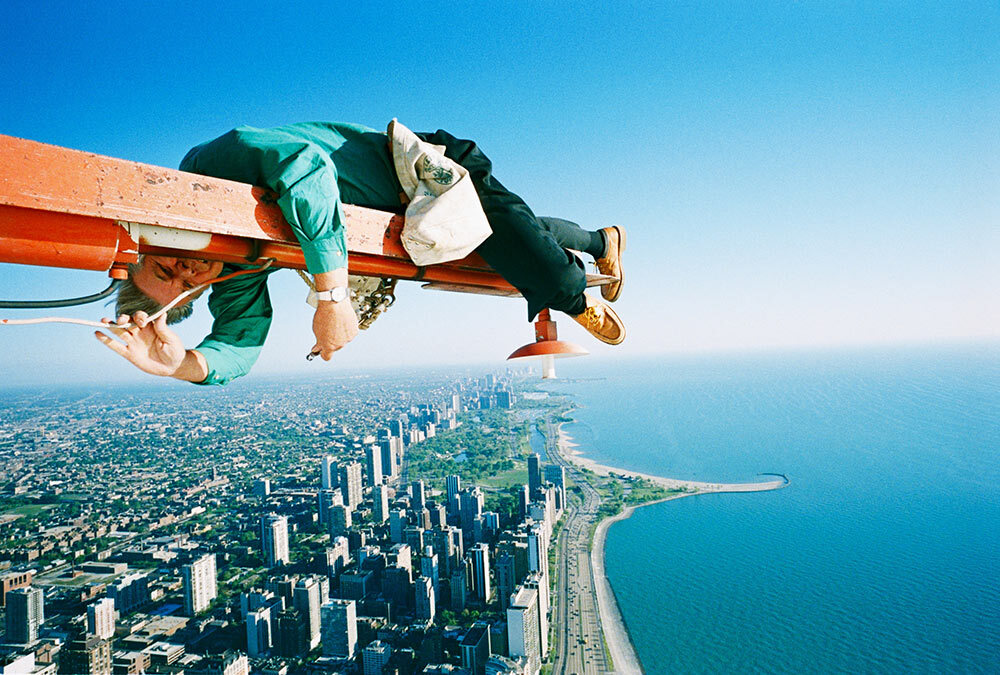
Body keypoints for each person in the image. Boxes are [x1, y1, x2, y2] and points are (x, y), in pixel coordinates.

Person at [96, 122, 627, 385]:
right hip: (406, 227)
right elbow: (240, 341)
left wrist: (332, 297)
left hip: (419, 172)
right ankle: (602, 241)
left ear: (148, 242)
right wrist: (178, 365)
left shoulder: (213, 166)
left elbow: (304, 167)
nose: (188, 269)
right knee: (496, 252)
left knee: (507, 236)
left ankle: (574, 295)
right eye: (184, 283)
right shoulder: (227, 269)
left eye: (167, 264)